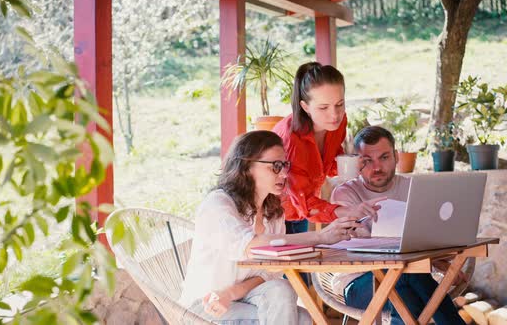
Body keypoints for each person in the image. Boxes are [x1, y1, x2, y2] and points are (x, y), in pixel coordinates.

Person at [179, 130, 363, 324]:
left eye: (284, 165)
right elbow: (252, 246)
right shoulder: (218, 204)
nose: (284, 173)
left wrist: (231, 293)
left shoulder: (273, 212)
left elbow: (269, 271)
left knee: (284, 290)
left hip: (240, 297)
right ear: (247, 166)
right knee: (300, 321)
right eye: (275, 166)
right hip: (206, 306)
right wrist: (320, 237)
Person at [330, 126, 466, 325]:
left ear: (396, 156)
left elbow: (426, 238)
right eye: (368, 161)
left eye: (384, 157)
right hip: (358, 283)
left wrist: (441, 262)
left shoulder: (413, 189)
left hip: (408, 278)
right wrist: (436, 264)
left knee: (406, 289)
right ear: (358, 163)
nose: (376, 167)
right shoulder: (346, 194)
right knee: (402, 277)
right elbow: (363, 249)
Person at [273, 62, 351, 235]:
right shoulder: (291, 140)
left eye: (340, 104)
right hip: (274, 216)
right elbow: (305, 203)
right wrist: (347, 212)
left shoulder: (337, 123)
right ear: (305, 107)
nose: (335, 114)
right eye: (323, 107)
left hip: (300, 214)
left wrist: (357, 163)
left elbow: (327, 164)